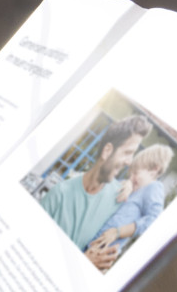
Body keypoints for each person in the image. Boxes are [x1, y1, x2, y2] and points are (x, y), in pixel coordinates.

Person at [39, 115, 153, 270]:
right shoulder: (59, 195)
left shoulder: (120, 198)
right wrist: (83, 262)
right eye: (127, 152)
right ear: (107, 151)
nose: (129, 162)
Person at [88, 143, 174, 254]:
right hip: (92, 241)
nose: (131, 177)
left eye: (136, 173)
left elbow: (153, 219)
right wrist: (126, 184)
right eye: (131, 173)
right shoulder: (135, 188)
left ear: (154, 170)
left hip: (103, 249)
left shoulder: (154, 188)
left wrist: (117, 232)